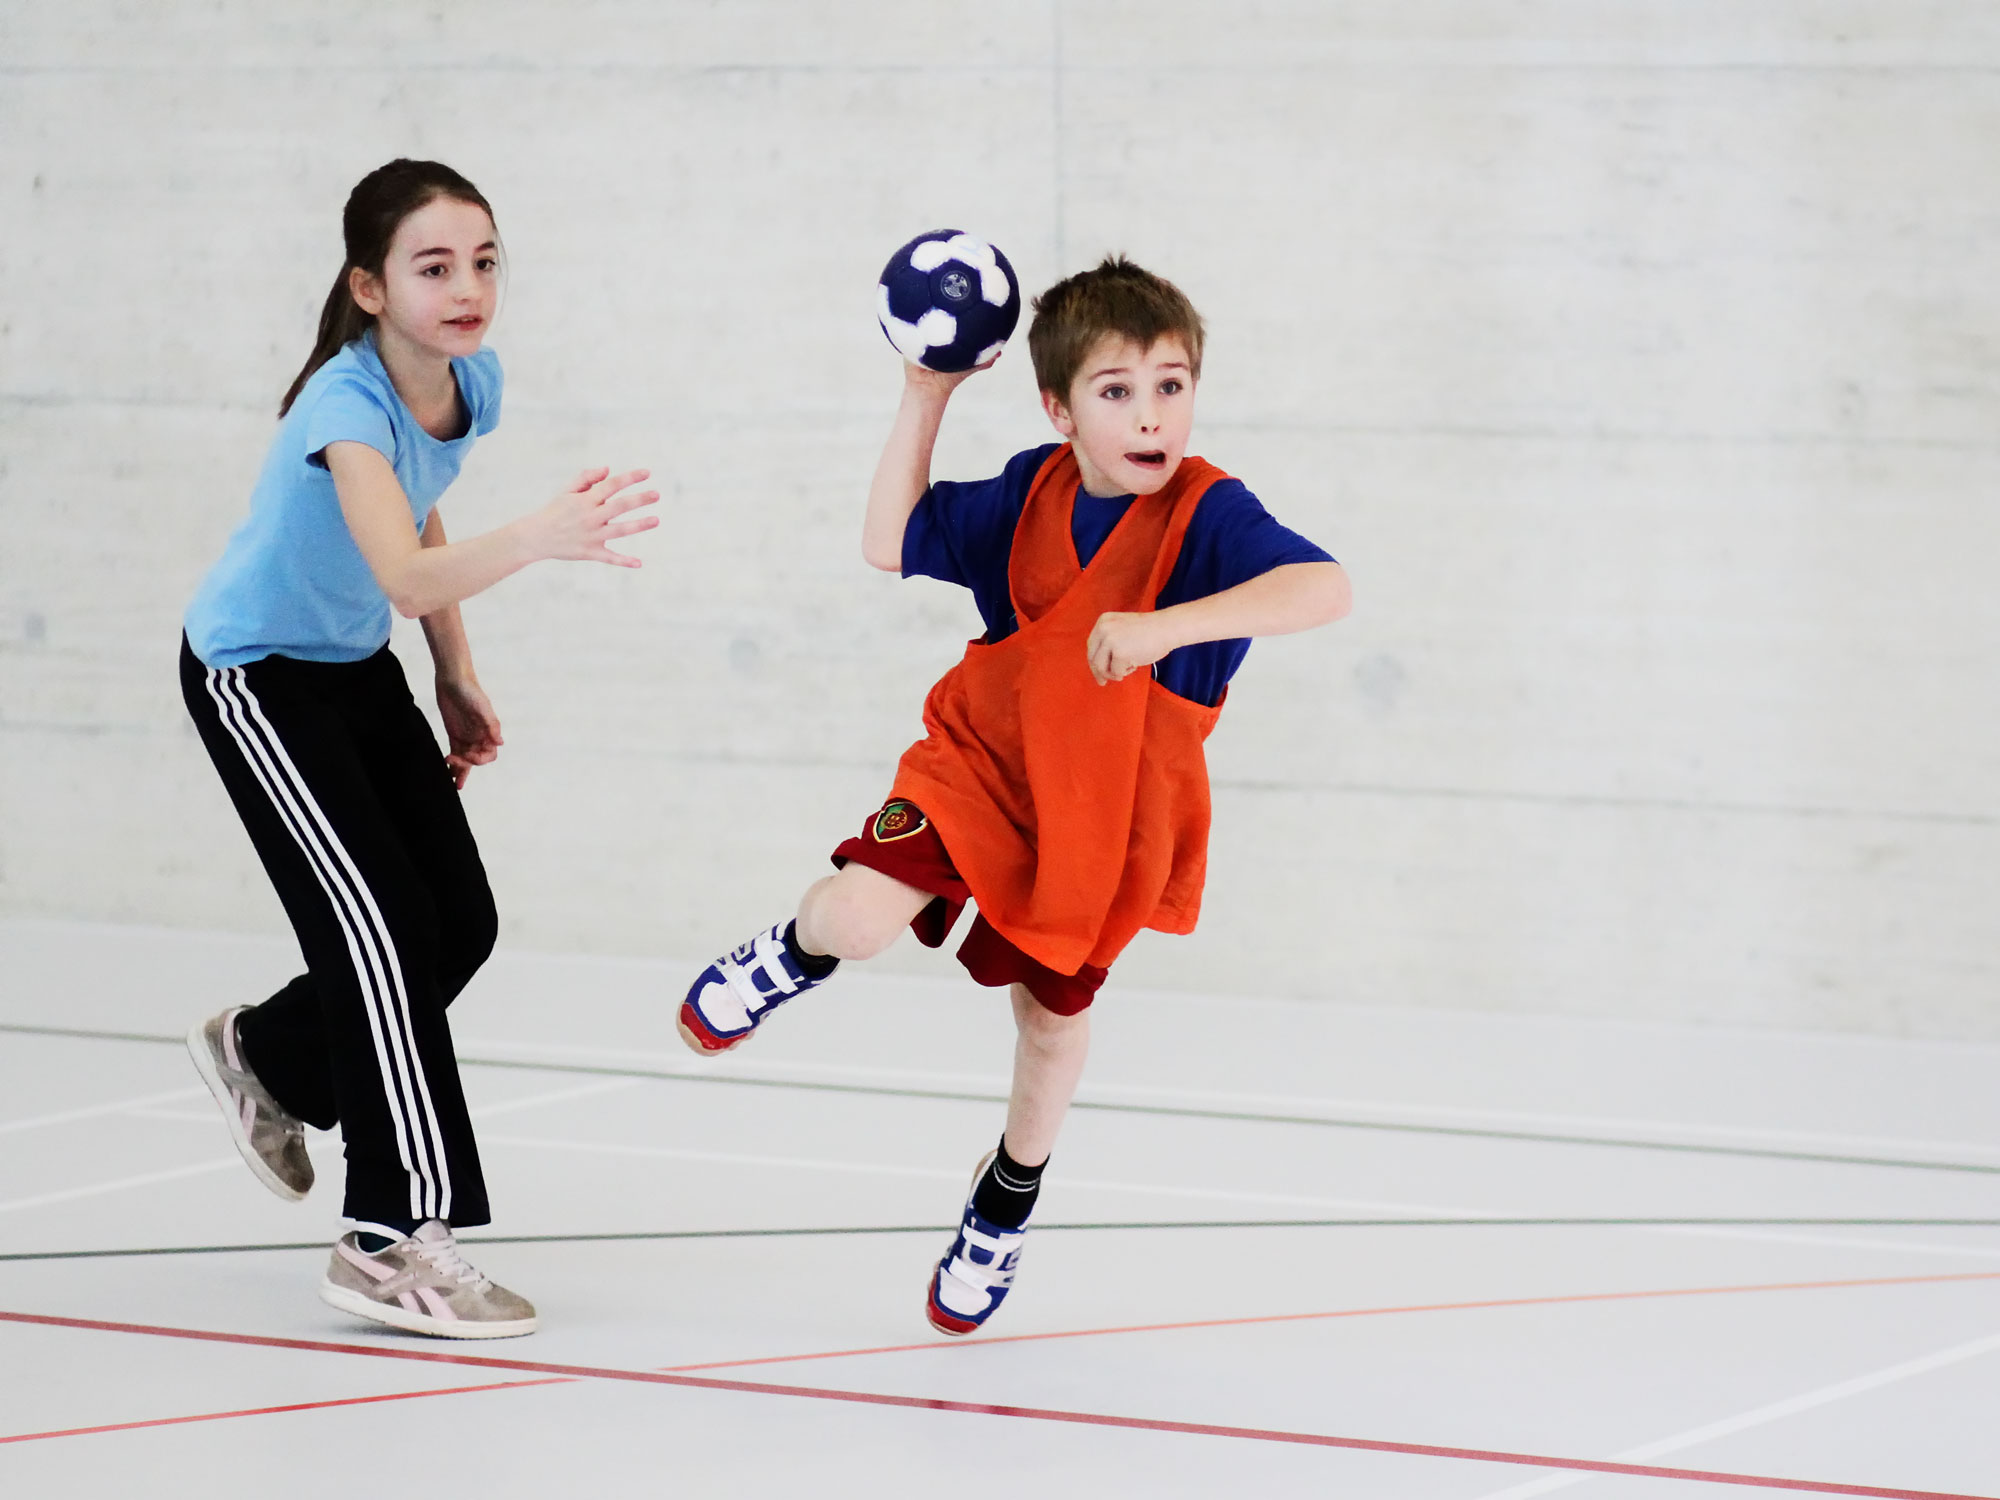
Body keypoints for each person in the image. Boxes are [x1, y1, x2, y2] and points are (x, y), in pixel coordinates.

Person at [678, 254, 1350, 1334]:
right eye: (1115, 390)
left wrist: (1168, 627)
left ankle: (1004, 1200)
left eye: (1170, 386)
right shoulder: (1025, 491)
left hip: (1112, 805)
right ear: (1059, 408)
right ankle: (786, 955)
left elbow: (1326, 586)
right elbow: (885, 540)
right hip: (985, 762)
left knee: (1046, 1020)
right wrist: (924, 394)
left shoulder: (1207, 515)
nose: (1149, 416)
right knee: (854, 915)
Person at [180, 158, 657, 1340]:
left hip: (352, 669)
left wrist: (455, 669)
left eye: (483, 261)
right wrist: (541, 536)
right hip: (257, 677)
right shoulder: (341, 408)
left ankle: (271, 1056)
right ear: (369, 286)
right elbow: (400, 568)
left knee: (456, 920)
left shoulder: (463, 382)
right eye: (433, 267)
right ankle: (391, 1240)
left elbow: (420, 510)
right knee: (383, 931)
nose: (465, 287)